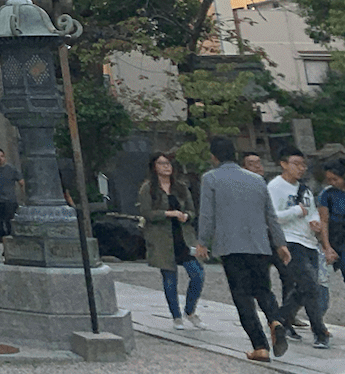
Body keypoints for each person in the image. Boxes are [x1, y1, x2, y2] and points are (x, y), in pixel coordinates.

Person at [198, 134, 293, 362]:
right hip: (259, 245)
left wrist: (202, 241)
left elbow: (207, 214)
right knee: (263, 289)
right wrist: (280, 244)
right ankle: (275, 320)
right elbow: (270, 216)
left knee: (242, 297)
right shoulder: (256, 180)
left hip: (231, 246)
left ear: (214, 156)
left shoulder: (210, 179)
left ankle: (260, 346)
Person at [267, 147, 333, 348]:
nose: (301, 168)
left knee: (304, 288)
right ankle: (320, 332)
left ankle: (278, 319)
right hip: (289, 241)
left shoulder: (303, 188)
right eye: (296, 164)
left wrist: (315, 223)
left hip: (308, 242)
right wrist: (296, 211)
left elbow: (311, 211)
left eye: (303, 165)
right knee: (310, 286)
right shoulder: (275, 187)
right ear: (284, 164)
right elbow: (272, 216)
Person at [138, 151, 205, 329]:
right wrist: (167, 213)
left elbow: (192, 210)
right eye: (161, 163)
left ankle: (190, 310)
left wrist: (186, 216)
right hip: (162, 238)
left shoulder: (180, 187)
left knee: (197, 274)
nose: (166, 167)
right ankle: (176, 316)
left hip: (183, 236)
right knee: (170, 278)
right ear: (154, 167)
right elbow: (147, 213)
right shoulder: (148, 188)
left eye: (168, 163)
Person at [0, 147, 22, 241]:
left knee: (9, 222)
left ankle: (10, 240)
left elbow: (21, 182)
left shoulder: (11, 169)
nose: (0, 158)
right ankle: (2, 239)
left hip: (10, 200)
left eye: (2, 156)